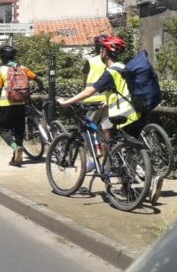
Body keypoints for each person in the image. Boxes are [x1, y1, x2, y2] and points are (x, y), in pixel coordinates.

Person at [58, 35, 162, 200]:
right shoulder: (124, 67)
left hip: (124, 116)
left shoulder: (111, 72)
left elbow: (89, 91)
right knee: (128, 149)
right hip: (138, 113)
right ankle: (131, 188)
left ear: (104, 52)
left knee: (115, 149)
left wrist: (66, 102)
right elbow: (123, 91)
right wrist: (107, 104)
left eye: (101, 49)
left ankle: (144, 180)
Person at [0, 45, 40, 166]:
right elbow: (38, 79)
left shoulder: (1, 70)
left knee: (3, 130)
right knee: (19, 131)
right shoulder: (23, 68)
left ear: (2, 57)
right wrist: (41, 87)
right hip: (21, 103)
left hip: (6, 103)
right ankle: (16, 157)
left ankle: (15, 147)